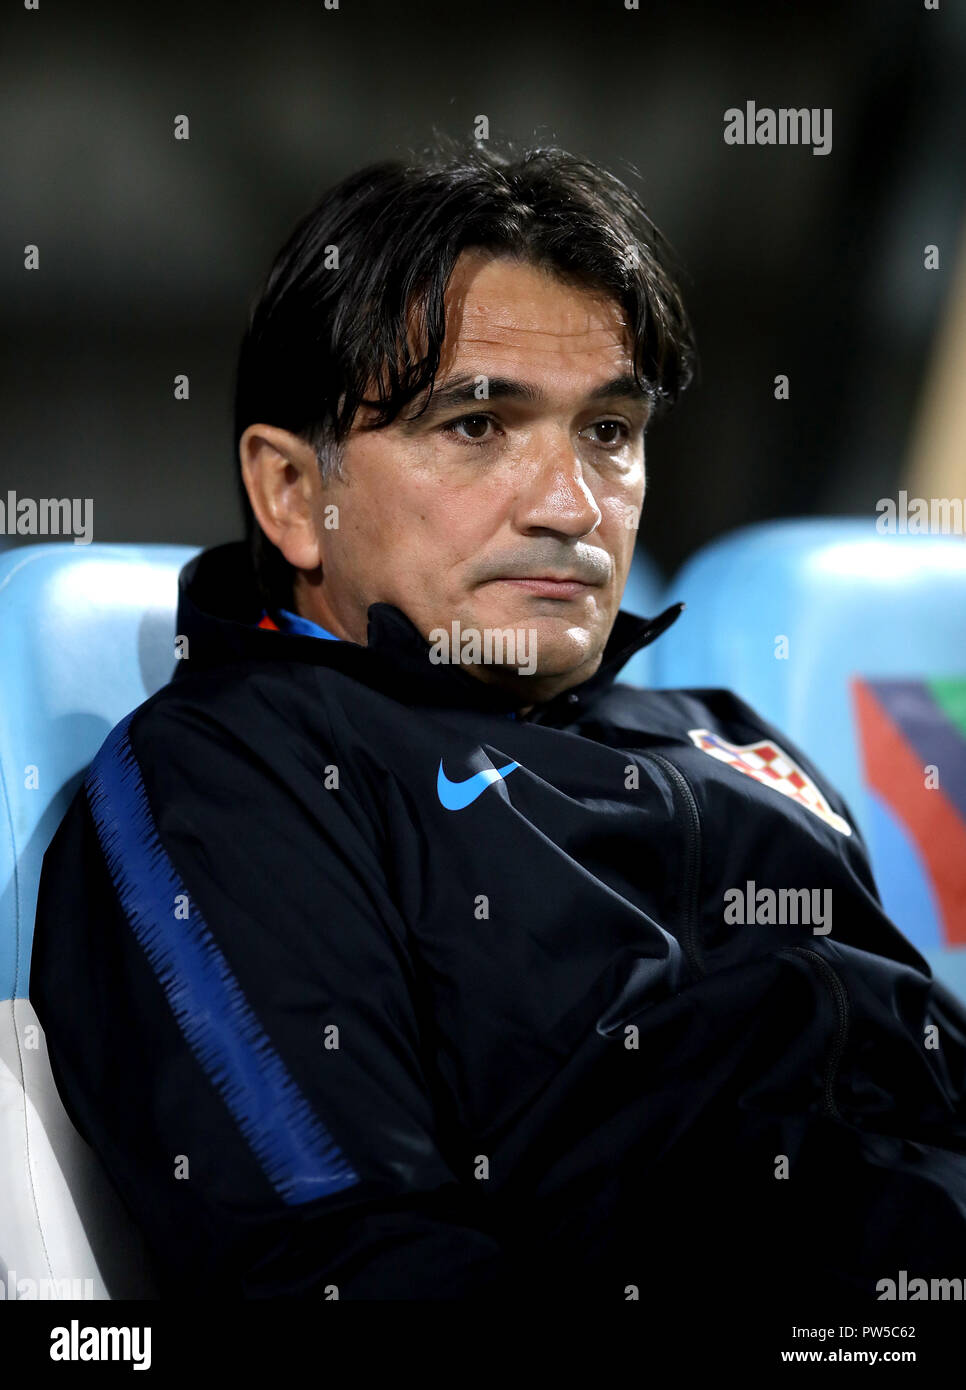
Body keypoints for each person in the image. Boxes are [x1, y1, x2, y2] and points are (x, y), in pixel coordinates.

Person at [29, 138, 966, 1305]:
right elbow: (346, 1266)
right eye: (477, 424)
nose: (572, 503)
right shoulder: (237, 777)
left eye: (609, 431)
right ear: (290, 494)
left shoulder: (726, 734)